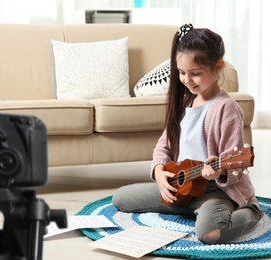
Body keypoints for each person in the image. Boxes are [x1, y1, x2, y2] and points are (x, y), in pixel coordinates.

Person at [113, 24, 263, 244]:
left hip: (214, 190)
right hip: (181, 186)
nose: (186, 80)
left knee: (209, 234)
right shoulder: (184, 102)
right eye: (181, 73)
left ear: (218, 66)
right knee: (120, 199)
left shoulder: (226, 109)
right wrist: (159, 173)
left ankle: (252, 208)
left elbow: (237, 166)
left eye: (195, 74)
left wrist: (219, 170)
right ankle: (192, 210)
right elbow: (162, 146)